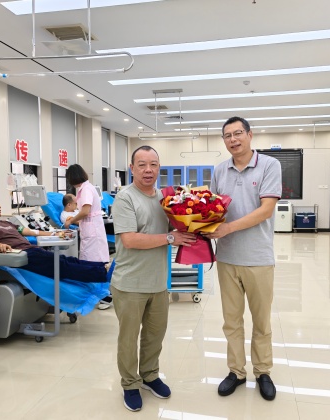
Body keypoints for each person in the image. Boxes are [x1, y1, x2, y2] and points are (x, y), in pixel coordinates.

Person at [111, 145, 196, 412]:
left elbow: (176, 226)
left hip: (158, 282)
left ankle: (149, 375)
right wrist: (170, 238)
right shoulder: (125, 198)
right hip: (130, 283)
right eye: (142, 165)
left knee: (155, 335)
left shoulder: (164, 198)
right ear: (132, 168)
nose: (148, 170)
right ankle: (130, 383)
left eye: (153, 165)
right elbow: (130, 239)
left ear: (159, 167)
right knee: (128, 338)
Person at [204, 116, 282, 402]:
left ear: (250, 135)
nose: (233, 139)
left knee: (261, 321)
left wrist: (228, 228)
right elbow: (213, 209)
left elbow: (266, 210)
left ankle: (263, 371)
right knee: (231, 321)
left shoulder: (270, 165)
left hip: (258, 257)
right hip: (227, 257)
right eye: (227, 135)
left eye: (238, 133)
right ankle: (236, 371)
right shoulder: (219, 170)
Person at [0, 195, 107, 283]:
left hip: (32, 250)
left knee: (67, 260)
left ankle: (103, 266)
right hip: (20, 255)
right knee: (61, 265)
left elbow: (30, 232)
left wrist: (55, 234)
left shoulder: (6, 223)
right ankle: (103, 274)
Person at [65, 164, 113, 310]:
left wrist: (71, 221)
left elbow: (85, 211)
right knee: (94, 264)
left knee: (95, 264)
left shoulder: (86, 189)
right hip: (91, 229)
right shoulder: (86, 188)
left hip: (92, 231)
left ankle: (106, 297)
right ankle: (100, 295)